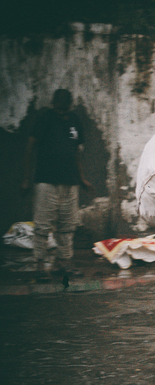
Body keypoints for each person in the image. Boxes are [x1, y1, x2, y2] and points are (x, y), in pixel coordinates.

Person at [21, 89, 92, 280]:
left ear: (71, 102)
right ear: (53, 101)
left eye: (67, 100)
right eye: (59, 100)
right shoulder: (45, 118)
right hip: (46, 180)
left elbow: (77, 151)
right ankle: (39, 266)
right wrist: (27, 178)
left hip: (70, 181)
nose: (63, 104)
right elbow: (30, 146)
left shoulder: (74, 120)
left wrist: (82, 177)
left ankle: (64, 264)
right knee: (43, 226)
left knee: (67, 226)